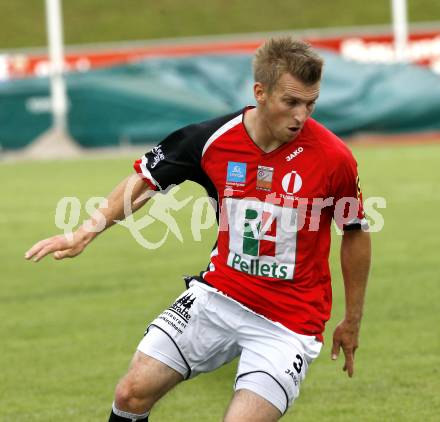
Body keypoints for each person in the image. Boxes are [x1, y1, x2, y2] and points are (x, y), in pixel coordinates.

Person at [25, 37, 371, 422]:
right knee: (131, 392)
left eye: (310, 104)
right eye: (291, 102)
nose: (301, 116)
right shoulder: (211, 139)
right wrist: (84, 233)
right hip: (219, 297)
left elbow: (355, 231)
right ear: (260, 92)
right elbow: (145, 181)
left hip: (289, 323)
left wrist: (352, 319)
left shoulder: (334, 157)